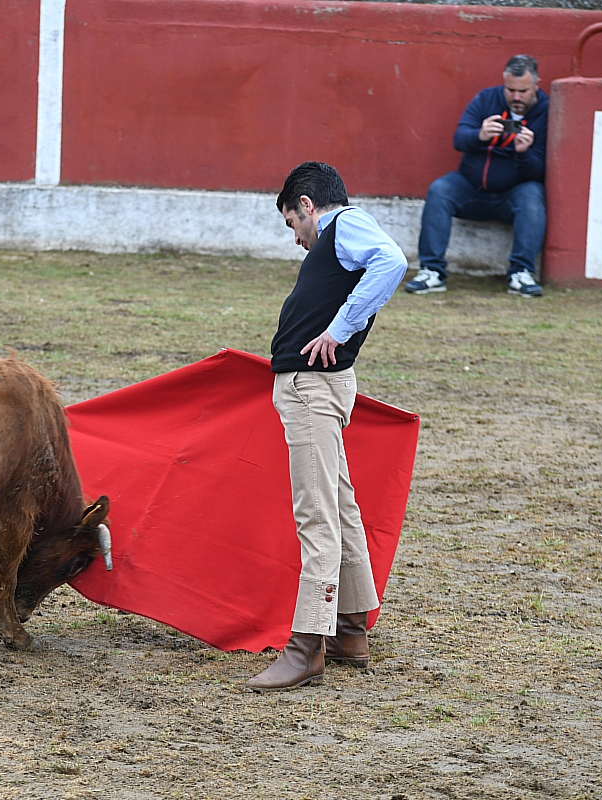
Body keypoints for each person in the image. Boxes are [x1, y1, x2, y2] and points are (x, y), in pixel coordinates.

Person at [247, 162, 407, 692]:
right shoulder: (340, 239)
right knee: (338, 505)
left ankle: (306, 647)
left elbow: (392, 261)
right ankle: (351, 630)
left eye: (292, 223)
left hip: (312, 388)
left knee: (316, 514)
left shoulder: (346, 226)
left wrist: (338, 329)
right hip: (316, 386)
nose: (296, 238)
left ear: (307, 205)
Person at [405, 54, 548, 298]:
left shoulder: (546, 110)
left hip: (512, 195)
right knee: (440, 190)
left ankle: (521, 272)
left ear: (536, 85)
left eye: (523, 91)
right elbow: (459, 139)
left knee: (533, 194)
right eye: (510, 90)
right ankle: (432, 271)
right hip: (471, 189)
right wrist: (479, 135)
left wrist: (524, 153)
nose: (516, 97)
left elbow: (540, 170)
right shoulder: (486, 99)